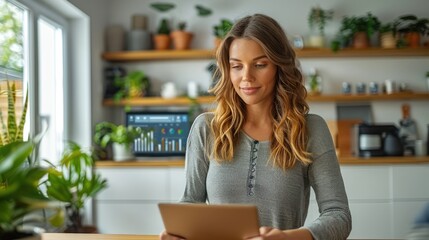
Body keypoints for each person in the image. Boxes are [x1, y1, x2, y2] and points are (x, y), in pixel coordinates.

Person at [160, 13, 351, 240]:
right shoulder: (206, 128)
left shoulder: (310, 129)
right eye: (236, 66)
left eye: (260, 64)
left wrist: (288, 238)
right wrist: (178, 234)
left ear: (280, 67)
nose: (246, 77)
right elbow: (190, 203)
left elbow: (338, 215)